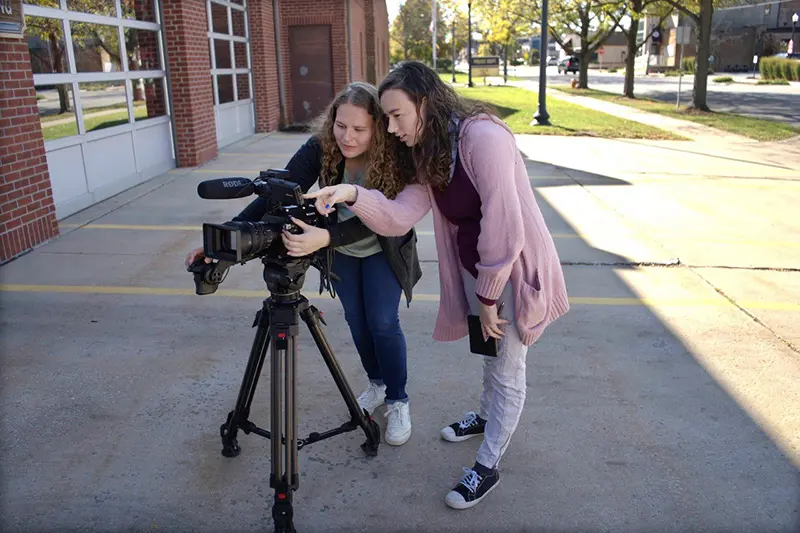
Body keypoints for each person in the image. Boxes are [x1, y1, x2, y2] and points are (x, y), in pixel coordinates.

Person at [305, 61, 570, 509]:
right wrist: (353, 195)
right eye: (385, 119)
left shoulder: (484, 139)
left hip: (510, 271)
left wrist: (487, 298)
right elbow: (399, 216)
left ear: (424, 104)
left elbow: (505, 227)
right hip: (476, 269)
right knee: (487, 352)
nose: (390, 128)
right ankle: (486, 418)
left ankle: (487, 467)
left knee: (508, 368)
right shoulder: (431, 151)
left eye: (395, 116)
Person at [184, 82, 420, 446]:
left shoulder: (393, 155)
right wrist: (225, 237)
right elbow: (277, 193)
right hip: (339, 251)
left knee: (383, 322)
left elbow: (378, 218)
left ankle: (398, 399)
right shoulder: (322, 146)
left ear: (377, 127)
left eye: (359, 129)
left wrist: (326, 237)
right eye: (340, 126)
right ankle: (377, 383)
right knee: (357, 321)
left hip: (381, 249)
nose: (347, 137)